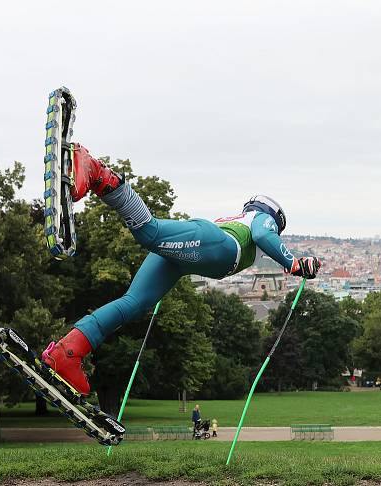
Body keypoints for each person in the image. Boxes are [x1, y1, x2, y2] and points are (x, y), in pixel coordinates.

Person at [41, 144, 321, 395]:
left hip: (194, 254)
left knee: (134, 302)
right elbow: (263, 235)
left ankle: (69, 351)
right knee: (149, 232)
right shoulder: (262, 218)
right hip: (220, 249)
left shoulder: (238, 216)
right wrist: (293, 263)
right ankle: (100, 175)